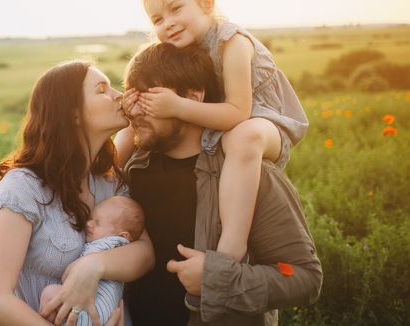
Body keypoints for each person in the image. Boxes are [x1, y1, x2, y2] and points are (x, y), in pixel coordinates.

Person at [123, 43, 322, 325]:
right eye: (132, 98)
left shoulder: (250, 174)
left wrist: (216, 279)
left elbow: (304, 278)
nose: (137, 111)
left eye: (150, 98)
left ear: (193, 96)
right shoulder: (133, 171)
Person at [115, 0, 309, 264]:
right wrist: (133, 104)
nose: (168, 23)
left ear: (206, 4)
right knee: (129, 133)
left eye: (176, 8)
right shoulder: (181, 45)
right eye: (157, 20)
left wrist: (176, 105)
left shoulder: (232, 43)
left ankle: (231, 246)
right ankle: (102, 183)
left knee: (243, 138)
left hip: (264, 122)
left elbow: (238, 113)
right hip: (225, 124)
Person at [0, 61, 155, 326]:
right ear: (72, 113)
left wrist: (94, 266)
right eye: (101, 89)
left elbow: (145, 254)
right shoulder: (24, 187)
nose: (118, 95)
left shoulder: (109, 182)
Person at [40, 196, 145, 325]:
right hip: (104, 315)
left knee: (49, 293)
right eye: (90, 219)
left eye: (98, 222)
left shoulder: (110, 243)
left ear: (122, 235)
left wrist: (72, 270)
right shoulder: (123, 249)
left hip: (91, 312)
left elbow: (70, 274)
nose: (88, 224)